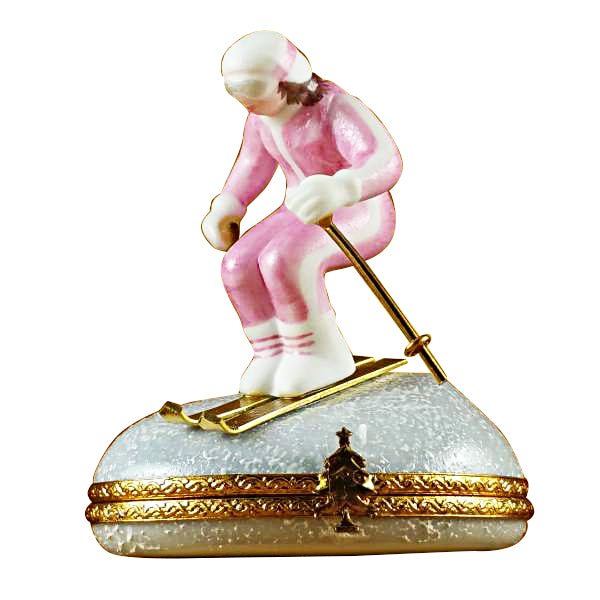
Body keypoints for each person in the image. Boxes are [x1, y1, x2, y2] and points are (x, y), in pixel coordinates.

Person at [202, 31, 402, 397]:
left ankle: (320, 353)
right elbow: (251, 165)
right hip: (298, 210)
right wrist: (229, 204)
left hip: (359, 212)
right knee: (237, 264)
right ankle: (272, 353)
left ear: (286, 80)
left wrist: (342, 187)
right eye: (236, 92)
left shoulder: (335, 109)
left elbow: (384, 159)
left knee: (285, 259)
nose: (247, 102)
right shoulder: (262, 119)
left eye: (253, 90)